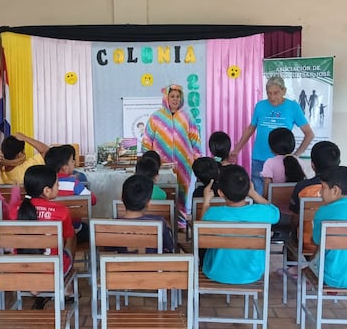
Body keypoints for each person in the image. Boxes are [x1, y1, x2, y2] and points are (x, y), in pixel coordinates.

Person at [231, 75, 314, 196]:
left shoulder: (293, 107)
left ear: (284, 91)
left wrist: (296, 155)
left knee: (280, 197)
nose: (272, 97)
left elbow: (309, 134)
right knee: (259, 195)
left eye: (276, 93)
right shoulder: (260, 106)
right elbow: (250, 129)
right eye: (269, 93)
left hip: (281, 162)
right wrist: (236, 150)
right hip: (259, 159)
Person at [200, 165, 279, 284]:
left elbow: (200, 231)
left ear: (221, 193)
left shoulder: (213, 213)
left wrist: (206, 202)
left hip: (216, 272)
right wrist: (253, 193)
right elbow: (276, 214)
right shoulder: (262, 212)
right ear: (248, 188)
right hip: (252, 273)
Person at [141, 84, 202, 216]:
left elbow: (195, 139)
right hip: (161, 164)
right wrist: (148, 162)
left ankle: (180, 221)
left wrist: (197, 160)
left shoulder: (187, 117)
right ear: (166, 98)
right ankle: (163, 218)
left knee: (182, 192)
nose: (175, 99)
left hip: (184, 163)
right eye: (172, 96)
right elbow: (147, 141)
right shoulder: (156, 117)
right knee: (163, 191)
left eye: (178, 97)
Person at [12, 165, 75, 275]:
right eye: (56, 183)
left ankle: (34, 284)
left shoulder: (15, 209)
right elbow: (66, 237)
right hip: (52, 268)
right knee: (72, 233)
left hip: (22, 267)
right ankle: (67, 276)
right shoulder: (61, 211)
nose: (59, 185)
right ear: (46, 190)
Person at [112, 174, 175, 253]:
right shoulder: (159, 222)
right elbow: (169, 248)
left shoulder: (111, 226)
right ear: (148, 203)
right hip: (153, 265)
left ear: (121, 199)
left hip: (119, 265)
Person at [44, 145, 95, 243]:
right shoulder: (73, 183)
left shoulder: (44, 184)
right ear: (64, 168)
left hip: (50, 232)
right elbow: (92, 200)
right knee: (89, 230)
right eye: (72, 161)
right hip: (74, 231)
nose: (74, 163)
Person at [289, 141, 341, 213]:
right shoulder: (345, 188)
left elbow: (295, 216)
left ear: (312, 165)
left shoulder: (301, 186)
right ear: (339, 163)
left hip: (307, 224)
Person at [261, 127, 306, 197]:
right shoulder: (299, 161)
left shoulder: (270, 163)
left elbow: (266, 189)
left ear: (271, 147)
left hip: (275, 203)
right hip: (296, 203)